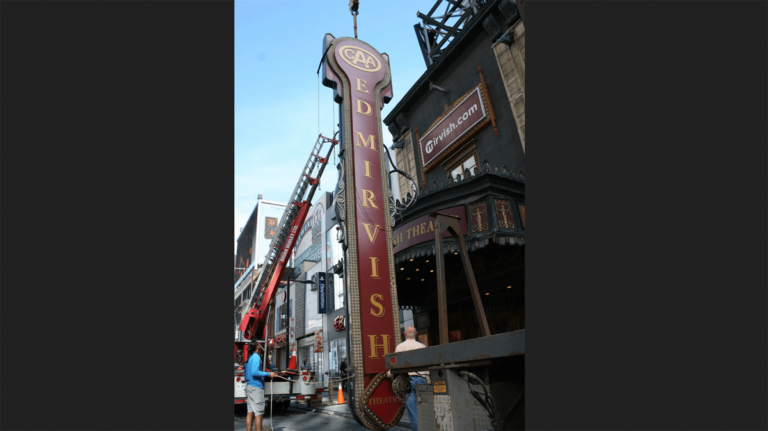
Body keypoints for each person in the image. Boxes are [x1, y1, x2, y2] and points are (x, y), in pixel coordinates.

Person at [388, 326, 429, 431]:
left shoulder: (401, 347)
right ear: (416, 334)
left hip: (407, 382)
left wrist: (389, 373)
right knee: (424, 410)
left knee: (413, 412)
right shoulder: (422, 346)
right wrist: (428, 377)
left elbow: (396, 364)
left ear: (404, 334)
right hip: (422, 380)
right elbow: (428, 363)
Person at [244, 343, 277, 431]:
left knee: (250, 413)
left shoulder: (249, 358)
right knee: (258, 414)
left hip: (249, 387)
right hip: (256, 388)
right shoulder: (256, 357)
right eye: (259, 343)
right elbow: (255, 372)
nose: (260, 344)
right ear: (257, 346)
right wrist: (268, 374)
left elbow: (248, 373)